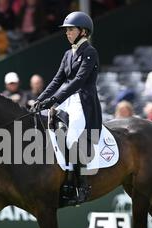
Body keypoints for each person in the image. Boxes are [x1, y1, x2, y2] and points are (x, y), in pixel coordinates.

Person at [32, 11, 102, 204]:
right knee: (49, 133)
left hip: (83, 102)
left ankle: (81, 185)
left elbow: (79, 81)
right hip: (67, 100)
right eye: (67, 30)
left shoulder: (90, 52)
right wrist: (40, 99)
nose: (67, 33)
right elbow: (57, 80)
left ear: (83, 31)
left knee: (71, 138)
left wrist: (54, 99)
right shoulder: (67, 54)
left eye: (71, 30)